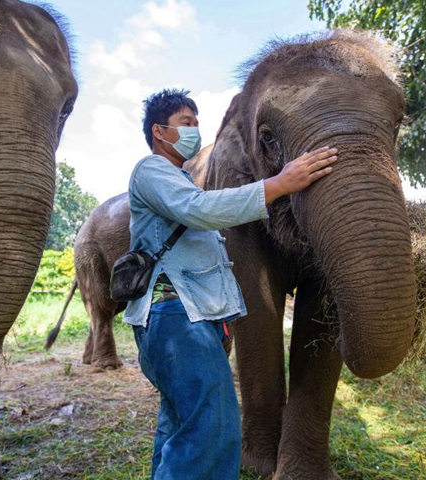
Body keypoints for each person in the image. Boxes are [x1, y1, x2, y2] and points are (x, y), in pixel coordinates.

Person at [124, 88, 337, 479]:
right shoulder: (151, 171)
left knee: (180, 425)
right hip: (175, 316)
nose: (195, 131)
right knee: (214, 426)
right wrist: (280, 184)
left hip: (189, 315)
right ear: (159, 131)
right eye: (185, 124)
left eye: (197, 123)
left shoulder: (180, 178)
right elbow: (201, 210)